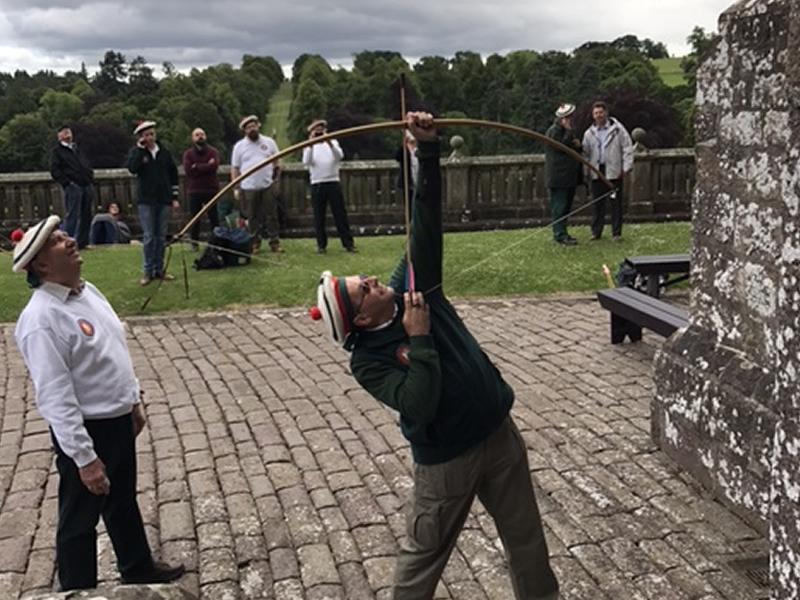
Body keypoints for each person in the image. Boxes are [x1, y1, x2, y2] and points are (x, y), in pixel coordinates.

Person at [312, 113, 559, 600]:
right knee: (422, 559)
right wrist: (420, 338)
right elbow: (418, 404)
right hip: (446, 461)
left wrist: (425, 152)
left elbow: (424, 221)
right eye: (363, 289)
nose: (373, 280)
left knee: (527, 542)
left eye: (365, 279)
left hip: (497, 432)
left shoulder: (412, 282)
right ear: (360, 319)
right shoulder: (366, 361)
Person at [11, 216, 185, 591]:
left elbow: (114, 347)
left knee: (122, 499)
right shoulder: (41, 319)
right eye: (57, 241)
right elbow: (55, 396)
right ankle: (78, 589)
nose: (70, 240)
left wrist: (133, 400)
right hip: (88, 429)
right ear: (41, 265)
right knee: (79, 517)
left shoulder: (87, 292)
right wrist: (84, 458)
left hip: (118, 419)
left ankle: (136, 566)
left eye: (64, 234)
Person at [126, 121, 180, 286]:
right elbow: (132, 169)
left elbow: (173, 174)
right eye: (145, 135)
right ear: (141, 137)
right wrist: (140, 150)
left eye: (151, 134)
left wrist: (175, 197)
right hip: (146, 201)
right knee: (149, 237)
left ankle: (159, 269)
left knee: (161, 236)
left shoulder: (164, 152)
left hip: (163, 199)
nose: (149, 137)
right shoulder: (137, 153)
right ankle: (148, 271)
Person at [302, 119, 356, 254]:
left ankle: (348, 244)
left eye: (321, 129)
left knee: (340, 215)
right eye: (316, 130)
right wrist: (311, 144)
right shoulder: (308, 146)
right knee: (319, 216)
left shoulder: (333, 142)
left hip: (333, 181)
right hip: (317, 183)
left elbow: (339, 156)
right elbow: (306, 161)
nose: (319, 132)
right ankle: (321, 245)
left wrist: (329, 142)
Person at [581, 101, 633, 241]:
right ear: (593, 115)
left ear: (606, 113)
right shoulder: (588, 133)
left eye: (601, 112)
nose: (599, 115)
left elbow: (627, 148)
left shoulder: (618, 130)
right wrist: (586, 171)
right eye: (596, 113)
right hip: (597, 171)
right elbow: (585, 154)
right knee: (597, 204)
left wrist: (626, 168)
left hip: (614, 171)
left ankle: (616, 233)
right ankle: (596, 232)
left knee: (615, 203)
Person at [231, 115, 282, 253]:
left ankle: (274, 243)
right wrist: (236, 187)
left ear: (258, 126)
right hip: (248, 187)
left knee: (271, 215)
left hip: (267, 185)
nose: (251, 129)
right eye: (248, 127)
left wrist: (276, 180)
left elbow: (277, 162)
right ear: (244, 131)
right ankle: (255, 243)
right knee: (252, 217)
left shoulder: (269, 142)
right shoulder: (239, 146)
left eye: (253, 126)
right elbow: (235, 168)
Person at [50, 125, 95, 249]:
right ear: (59, 137)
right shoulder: (57, 152)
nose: (68, 134)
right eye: (64, 133)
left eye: (68, 132)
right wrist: (67, 183)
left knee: (87, 214)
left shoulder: (77, 149)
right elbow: (55, 170)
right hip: (73, 186)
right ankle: (67, 242)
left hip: (86, 184)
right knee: (72, 215)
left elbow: (85, 163)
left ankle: (82, 242)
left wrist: (90, 176)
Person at [544, 104, 582, 245]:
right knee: (559, 206)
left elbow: (573, 149)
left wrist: (578, 145)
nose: (572, 120)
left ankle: (563, 233)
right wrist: (568, 132)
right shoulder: (554, 131)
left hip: (568, 176)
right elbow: (561, 147)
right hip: (558, 177)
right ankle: (559, 235)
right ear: (563, 119)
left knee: (566, 206)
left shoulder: (567, 132)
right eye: (569, 117)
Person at [182, 127, 221, 250]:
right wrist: (206, 166)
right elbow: (189, 170)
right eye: (197, 135)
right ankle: (194, 242)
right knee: (194, 218)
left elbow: (214, 166)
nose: (200, 136)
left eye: (202, 134)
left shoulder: (213, 151)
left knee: (214, 218)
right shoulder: (188, 154)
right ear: (193, 138)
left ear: (206, 136)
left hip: (211, 189)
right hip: (195, 190)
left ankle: (217, 242)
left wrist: (197, 166)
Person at [395, 131, 419, 199]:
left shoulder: (420, 148)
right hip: (408, 180)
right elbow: (397, 157)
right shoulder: (404, 149)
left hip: (419, 177)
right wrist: (404, 145)